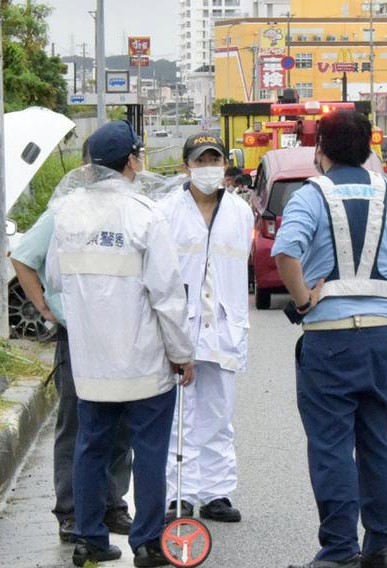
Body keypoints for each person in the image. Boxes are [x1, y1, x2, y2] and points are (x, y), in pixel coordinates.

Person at [272, 110, 387, 568]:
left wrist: (303, 300)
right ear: (369, 150)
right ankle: (381, 547)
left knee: (331, 446)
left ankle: (339, 550)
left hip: (328, 339)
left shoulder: (310, 196)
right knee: (379, 442)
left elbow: (285, 252)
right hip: (379, 338)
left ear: (319, 148)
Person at [45, 120, 196, 567]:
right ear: (131, 161)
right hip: (143, 363)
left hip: (91, 363)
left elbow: (55, 278)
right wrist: (182, 355)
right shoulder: (146, 214)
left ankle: (89, 539)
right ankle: (149, 544)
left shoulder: (67, 213)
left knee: (89, 448)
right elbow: (167, 295)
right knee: (148, 451)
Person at [10, 138, 134, 545]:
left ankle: (112, 503)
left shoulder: (130, 211)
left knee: (120, 425)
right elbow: (24, 256)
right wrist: (46, 308)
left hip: (121, 331)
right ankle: (71, 512)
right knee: (78, 425)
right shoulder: (64, 211)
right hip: (78, 332)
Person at [157, 133, 253, 525]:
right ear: (187, 166)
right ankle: (180, 495)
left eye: (215, 159)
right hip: (181, 325)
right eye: (201, 161)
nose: (208, 167)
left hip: (225, 326)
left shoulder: (240, 212)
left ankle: (217, 492)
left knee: (219, 413)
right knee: (180, 416)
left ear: (225, 165)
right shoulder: (165, 211)